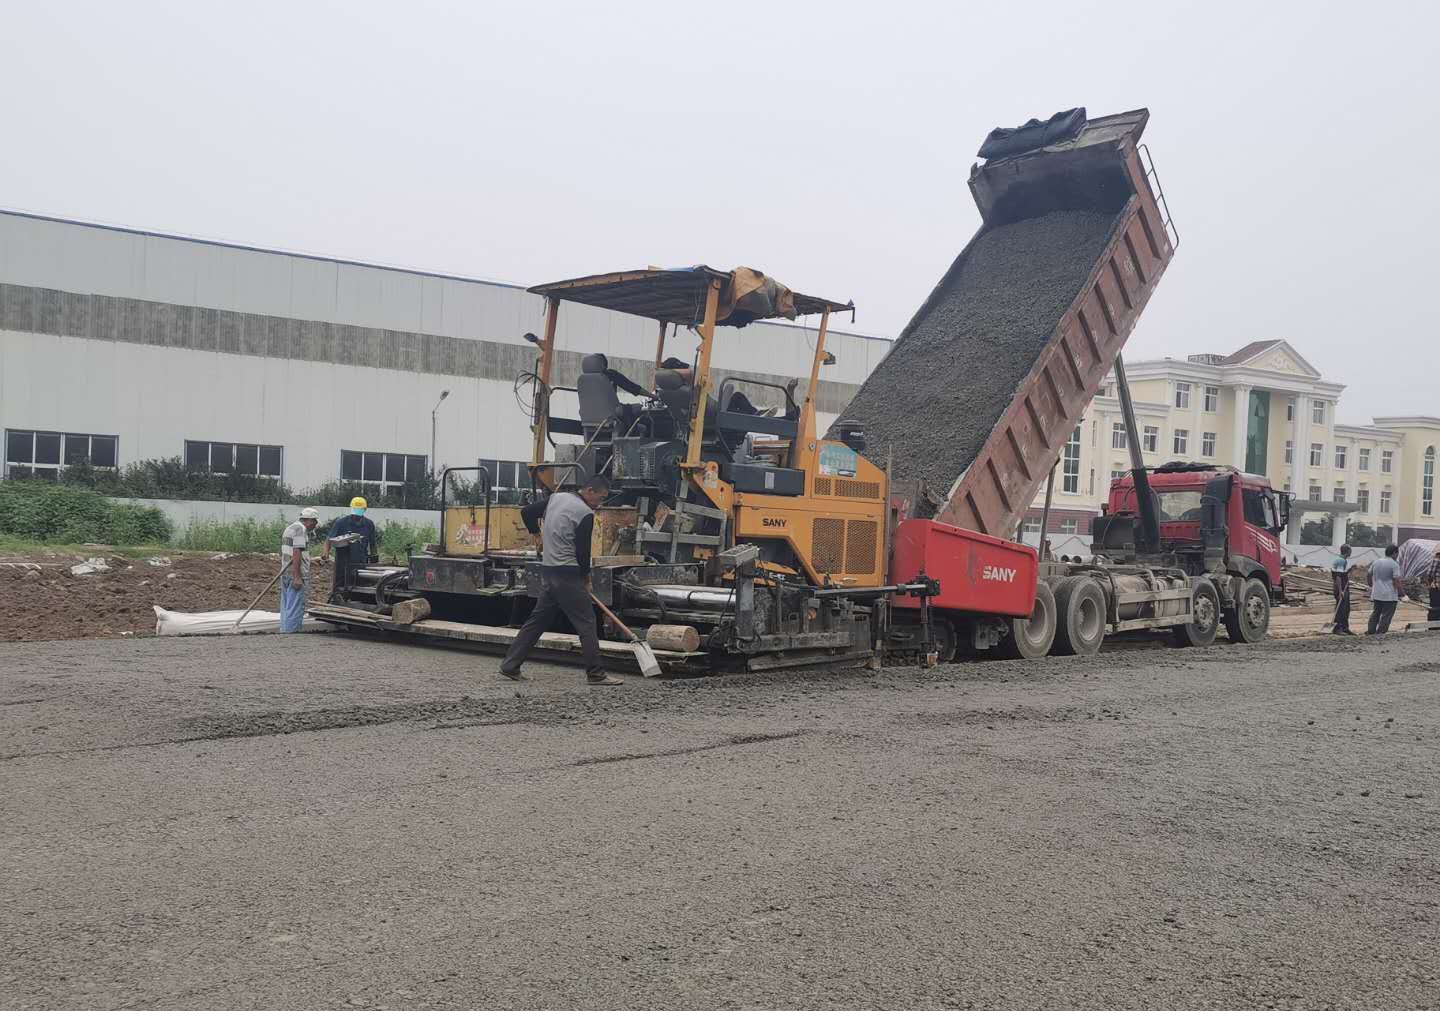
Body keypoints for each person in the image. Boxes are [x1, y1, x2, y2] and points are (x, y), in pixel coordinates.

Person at [499, 474, 624, 686]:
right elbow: (583, 552)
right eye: (600, 498)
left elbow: (527, 512)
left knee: (537, 621)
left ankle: (510, 665)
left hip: (549, 571)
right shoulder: (585, 513)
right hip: (568, 574)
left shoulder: (556, 498)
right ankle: (596, 674)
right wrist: (586, 579)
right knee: (586, 623)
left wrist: (536, 533)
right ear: (590, 491)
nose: (600, 503)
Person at [323, 496, 380, 602]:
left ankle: (358, 602)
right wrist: (325, 553)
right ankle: (338, 601)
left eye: (360, 510)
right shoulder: (341, 523)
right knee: (341, 585)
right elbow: (329, 539)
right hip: (343, 562)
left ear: (364, 510)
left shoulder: (369, 524)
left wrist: (374, 559)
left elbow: (372, 543)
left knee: (360, 585)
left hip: (361, 561)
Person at [279, 507, 319, 633]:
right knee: (295, 608)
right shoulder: (301, 529)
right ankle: (291, 635)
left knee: (287, 607)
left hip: (285, 572)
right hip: (295, 574)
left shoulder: (290, 528)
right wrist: (297, 576)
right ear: (310, 520)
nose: (315, 525)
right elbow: (296, 551)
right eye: (315, 522)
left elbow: (290, 551)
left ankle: (284, 632)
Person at [1366, 544, 1405, 635]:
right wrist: (1402, 594)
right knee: (1387, 615)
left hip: (1377, 593)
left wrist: (1371, 585)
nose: (1397, 556)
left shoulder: (1376, 562)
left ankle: (1371, 630)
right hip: (1389, 595)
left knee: (1376, 612)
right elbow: (1396, 581)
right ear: (1394, 553)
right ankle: (1381, 632)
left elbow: (1368, 574)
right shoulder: (1394, 564)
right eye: (1397, 553)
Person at [1330, 543, 1355, 635]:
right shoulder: (1341, 561)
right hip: (1341, 588)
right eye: (1350, 550)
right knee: (1341, 609)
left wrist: (1349, 570)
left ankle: (1345, 627)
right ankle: (1338, 628)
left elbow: (1341, 573)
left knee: (1346, 608)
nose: (1351, 552)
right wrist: (1340, 591)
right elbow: (1338, 577)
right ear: (1347, 551)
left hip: (1343, 587)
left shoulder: (1341, 560)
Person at [1427, 544, 1440, 624]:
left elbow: (1430, 574)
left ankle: (1432, 626)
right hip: (1436, 587)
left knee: (1434, 607)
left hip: (1436, 588)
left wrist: (1430, 583)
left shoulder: (1436, 559)